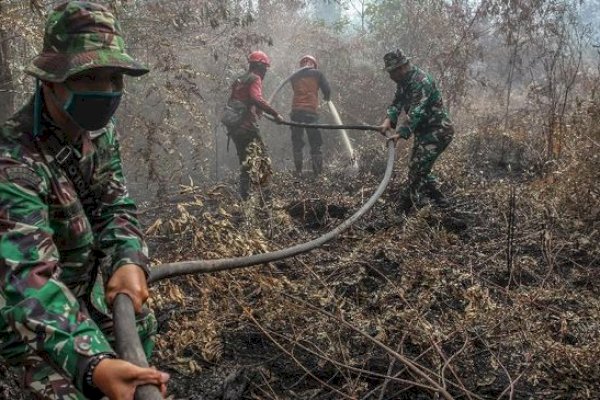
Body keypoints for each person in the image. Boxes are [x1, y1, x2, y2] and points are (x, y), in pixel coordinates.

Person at [0, 2, 169, 399]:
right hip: (25, 315)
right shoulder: (13, 161)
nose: (106, 91)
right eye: (89, 76)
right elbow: (29, 283)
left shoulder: (99, 134)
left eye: (114, 77)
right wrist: (94, 363)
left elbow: (116, 206)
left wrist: (129, 258)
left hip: (84, 293)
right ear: (50, 80)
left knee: (142, 327)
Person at [379, 49, 454, 212]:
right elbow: (396, 103)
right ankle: (443, 203)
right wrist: (388, 120)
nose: (390, 76)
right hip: (424, 133)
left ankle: (404, 208)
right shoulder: (403, 83)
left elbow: (416, 111)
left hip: (438, 131)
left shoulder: (421, 81)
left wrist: (400, 133)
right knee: (421, 169)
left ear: (402, 68)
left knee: (416, 169)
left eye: (392, 72)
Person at [224, 50, 284, 201]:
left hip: (235, 129)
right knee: (263, 161)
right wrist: (275, 114)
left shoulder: (240, 79)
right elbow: (256, 98)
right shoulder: (255, 78)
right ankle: (267, 200)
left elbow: (240, 99)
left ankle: (244, 201)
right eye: (265, 68)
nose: (265, 71)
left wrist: (257, 110)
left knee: (245, 164)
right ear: (261, 66)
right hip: (247, 128)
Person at [289, 55, 331, 176]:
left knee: (297, 143)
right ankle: (317, 173)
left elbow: (295, 90)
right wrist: (327, 98)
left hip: (296, 112)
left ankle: (298, 171)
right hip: (310, 113)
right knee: (315, 143)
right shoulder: (318, 74)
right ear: (313, 64)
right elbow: (327, 90)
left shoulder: (294, 76)